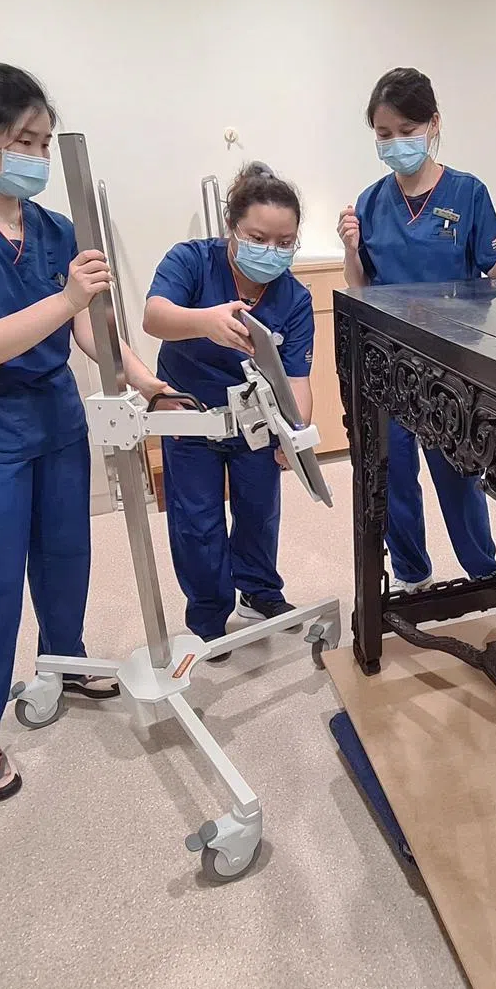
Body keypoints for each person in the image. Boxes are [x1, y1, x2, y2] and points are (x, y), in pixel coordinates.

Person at [0, 62, 170, 802]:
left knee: (65, 553)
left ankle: (65, 659)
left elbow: (88, 323)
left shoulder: (52, 228)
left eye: (46, 143)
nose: (38, 159)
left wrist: (144, 379)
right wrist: (66, 297)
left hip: (52, 411)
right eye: (24, 141)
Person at [338, 67, 496, 593]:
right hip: (388, 364)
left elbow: (494, 274)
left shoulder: (466, 193)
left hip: (452, 363)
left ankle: (483, 574)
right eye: (384, 134)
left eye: (407, 129)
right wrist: (350, 250)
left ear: (432, 124)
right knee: (395, 473)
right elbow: (360, 287)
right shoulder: (370, 202)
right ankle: (412, 575)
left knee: (458, 472)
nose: (396, 142)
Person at [143, 163, 314, 657]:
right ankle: (209, 615)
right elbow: (155, 316)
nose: (272, 251)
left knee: (259, 512)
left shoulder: (294, 298)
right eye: (260, 238)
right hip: (190, 413)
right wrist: (205, 321)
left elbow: (297, 381)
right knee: (197, 521)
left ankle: (260, 593)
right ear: (232, 230)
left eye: (286, 242)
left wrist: (294, 435)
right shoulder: (192, 262)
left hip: (256, 421)